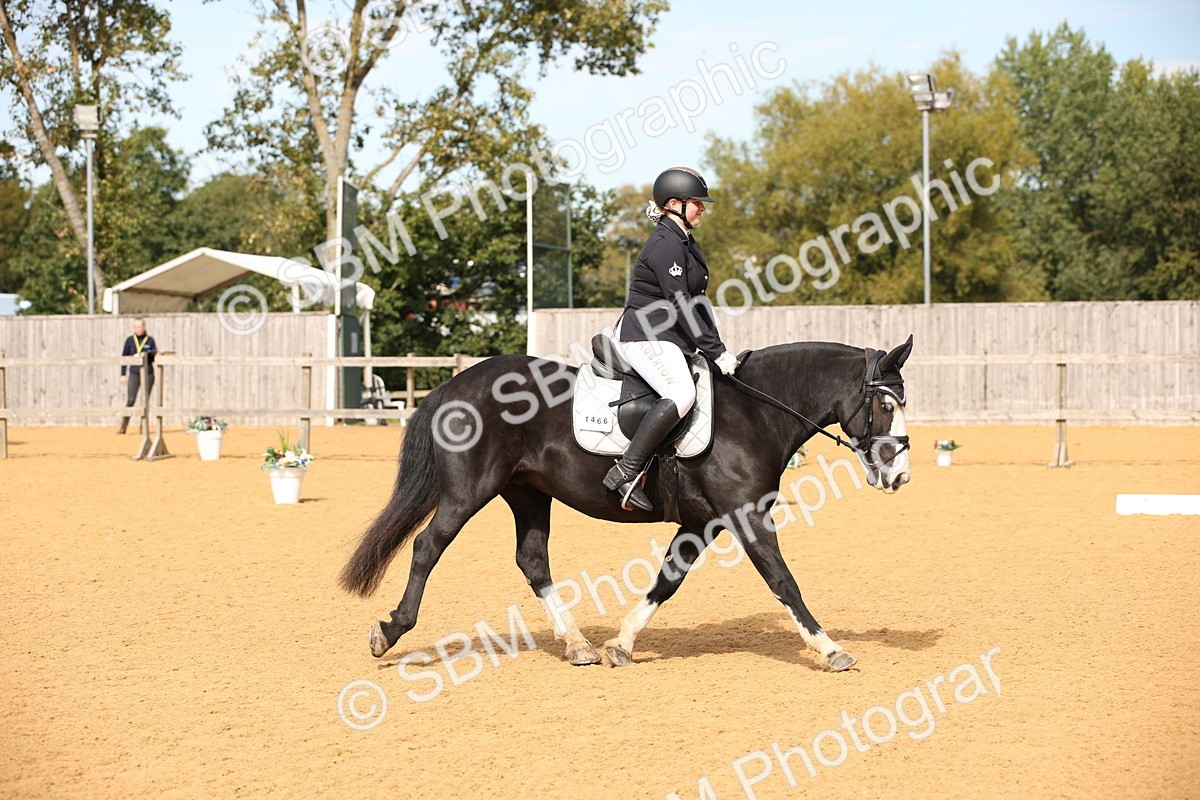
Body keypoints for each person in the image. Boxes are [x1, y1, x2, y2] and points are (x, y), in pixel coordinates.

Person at [602, 166, 740, 512]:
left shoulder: (684, 240)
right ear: (675, 204)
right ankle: (625, 471)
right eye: (697, 202)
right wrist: (715, 351)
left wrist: (718, 348)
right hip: (643, 335)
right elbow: (680, 304)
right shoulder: (665, 244)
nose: (702, 208)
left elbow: (697, 302)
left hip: (668, 335)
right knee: (682, 393)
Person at [117, 317, 158, 434]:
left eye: (140, 326)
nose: (138, 329)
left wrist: (151, 354)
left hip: (148, 373)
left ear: (144, 327)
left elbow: (154, 357)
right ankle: (124, 425)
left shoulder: (150, 340)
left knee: (145, 401)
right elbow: (124, 357)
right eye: (136, 327)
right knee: (131, 399)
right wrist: (123, 374)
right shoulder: (130, 340)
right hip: (134, 372)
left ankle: (143, 426)